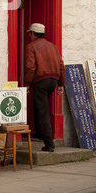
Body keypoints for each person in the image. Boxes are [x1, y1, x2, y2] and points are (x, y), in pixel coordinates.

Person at [24, 23, 65, 152]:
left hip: (40, 81)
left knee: (42, 110)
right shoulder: (53, 46)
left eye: (30, 33)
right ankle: (39, 133)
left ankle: (49, 144)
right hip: (53, 80)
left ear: (32, 33)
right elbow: (61, 66)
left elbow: (30, 68)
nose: (29, 35)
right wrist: (61, 84)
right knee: (39, 106)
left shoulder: (31, 46)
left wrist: (27, 84)